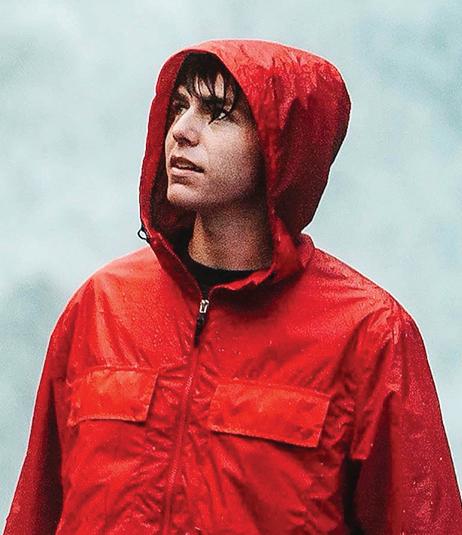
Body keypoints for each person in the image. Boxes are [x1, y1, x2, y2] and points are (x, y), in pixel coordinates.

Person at [4, 39, 462, 535]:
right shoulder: (102, 305)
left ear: (282, 146)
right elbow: (35, 513)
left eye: (218, 114)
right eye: (179, 107)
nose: (181, 131)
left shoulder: (369, 335)